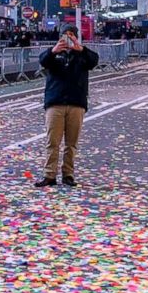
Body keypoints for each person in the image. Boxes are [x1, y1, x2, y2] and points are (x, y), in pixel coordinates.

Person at [36, 26, 101, 188]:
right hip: (55, 101)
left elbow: (94, 61)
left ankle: (68, 174)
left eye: (72, 36)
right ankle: (49, 174)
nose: (68, 39)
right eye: (66, 35)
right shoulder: (53, 53)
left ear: (77, 37)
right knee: (53, 141)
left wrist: (81, 49)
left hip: (76, 102)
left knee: (72, 143)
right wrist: (53, 51)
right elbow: (43, 60)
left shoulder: (82, 55)